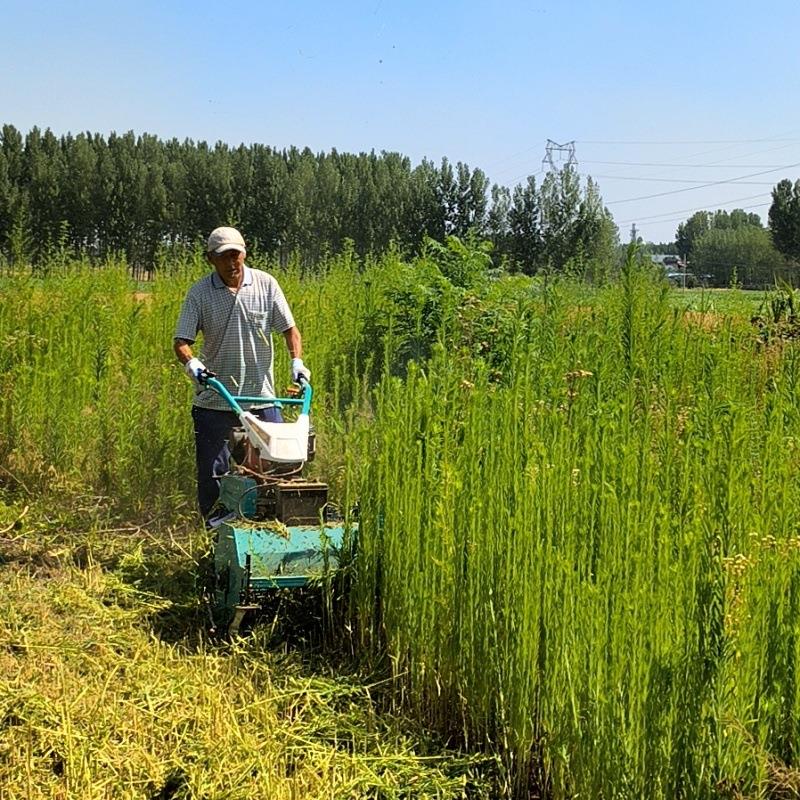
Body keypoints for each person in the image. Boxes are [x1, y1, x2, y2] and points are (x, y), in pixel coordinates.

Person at [173, 226, 310, 523]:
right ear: (210, 259)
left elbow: (290, 330)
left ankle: (270, 529)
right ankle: (215, 537)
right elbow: (181, 341)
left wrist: (297, 363)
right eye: (223, 257)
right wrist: (192, 365)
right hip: (215, 400)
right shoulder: (199, 293)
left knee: (276, 469)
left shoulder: (266, 284)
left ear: (245, 253)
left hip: (262, 396)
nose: (231, 262)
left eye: (236, 255)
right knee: (214, 475)